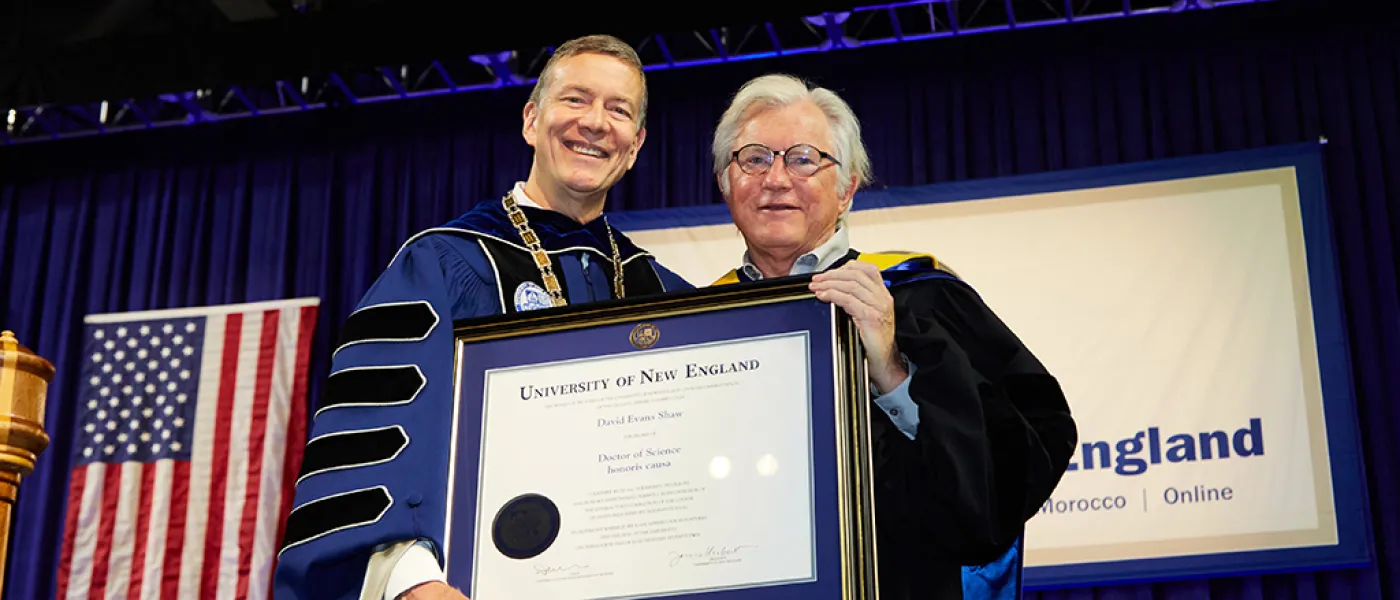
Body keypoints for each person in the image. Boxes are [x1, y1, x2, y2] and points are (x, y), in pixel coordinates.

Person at [272, 35, 692, 600]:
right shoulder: (442, 264)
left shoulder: (663, 292)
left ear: (636, 144)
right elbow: (373, 439)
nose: (595, 123)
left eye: (618, 110)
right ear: (530, 119)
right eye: (575, 99)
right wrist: (411, 581)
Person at [709, 73, 1078, 599]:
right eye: (754, 159)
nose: (776, 178)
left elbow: (1029, 446)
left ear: (846, 189)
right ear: (727, 183)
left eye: (802, 159)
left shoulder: (922, 298)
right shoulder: (699, 327)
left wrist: (894, 371)